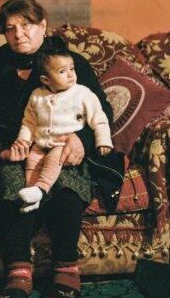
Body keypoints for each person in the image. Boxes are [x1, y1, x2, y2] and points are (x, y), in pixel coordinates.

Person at [0, 0, 121, 298]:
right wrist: (7, 147)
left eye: (27, 25)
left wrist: (82, 140)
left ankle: (66, 268)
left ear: (43, 25)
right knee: (10, 186)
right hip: (19, 150)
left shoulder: (69, 63)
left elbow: (101, 109)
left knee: (67, 186)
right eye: (10, 28)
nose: (19, 34)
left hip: (65, 145)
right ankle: (18, 274)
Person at [12, 45, 113, 213]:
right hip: (41, 143)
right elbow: (29, 122)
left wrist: (103, 141)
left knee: (54, 158)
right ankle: (32, 192)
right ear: (46, 80)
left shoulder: (82, 93)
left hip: (63, 143)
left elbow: (99, 118)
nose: (70, 74)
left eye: (72, 69)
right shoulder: (37, 95)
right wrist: (23, 140)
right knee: (32, 159)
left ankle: (41, 189)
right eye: (62, 71)